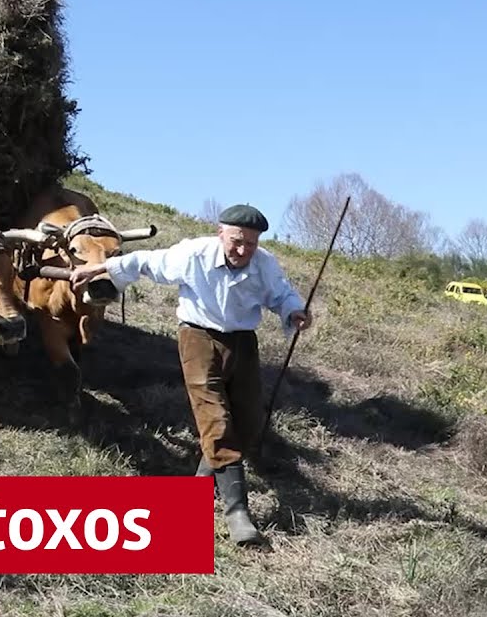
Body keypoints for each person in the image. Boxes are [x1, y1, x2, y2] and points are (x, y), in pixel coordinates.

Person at [69, 204, 311, 547]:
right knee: (215, 420)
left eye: (251, 244)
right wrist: (100, 269)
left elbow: (282, 295)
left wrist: (295, 311)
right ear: (220, 233)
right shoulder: (193, 254)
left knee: (249, 422)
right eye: (237, 241)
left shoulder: (264, 264)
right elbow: (144, 262)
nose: (243, 250)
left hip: (242, 343)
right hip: (198, 339)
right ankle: (237, 513)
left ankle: (196, 489)